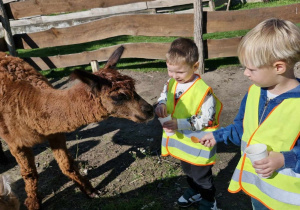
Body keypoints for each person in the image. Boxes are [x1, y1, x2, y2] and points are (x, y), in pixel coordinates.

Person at [199, 18, 300, 210]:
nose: (245, 73)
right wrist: (217, 135)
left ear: (279, 67)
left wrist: (285, 159)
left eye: (251, 69)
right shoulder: (254, 92)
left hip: (289, 202)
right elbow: (242, 129)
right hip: (259, 192)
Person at [155, 37, 222, 210]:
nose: (174, 76)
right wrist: (161, 104)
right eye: (170, 71)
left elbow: (207, 119)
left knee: (202, 176)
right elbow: (164, 95)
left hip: (200, 143)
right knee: (188, 171)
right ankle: (194, 191)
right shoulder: (171, 83)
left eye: (180, 72)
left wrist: (180, 124)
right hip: (182, 142)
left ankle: (209, 200)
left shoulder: (203, 91)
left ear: (195, 65)